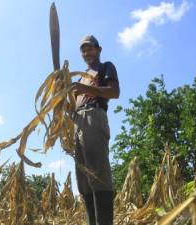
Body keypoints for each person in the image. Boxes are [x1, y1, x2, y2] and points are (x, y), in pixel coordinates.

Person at [71, 35, 120, 225]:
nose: (86, 53)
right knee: (83, 178)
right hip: (77, 121)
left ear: (99, 50)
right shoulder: (81, 76)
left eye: (90, 48)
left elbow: (114, 92)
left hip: (94, 116)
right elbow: (72, 104)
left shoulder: (105, 66)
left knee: (97, 174)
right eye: (83, 50)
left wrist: (87, 89)